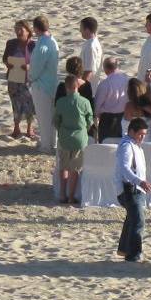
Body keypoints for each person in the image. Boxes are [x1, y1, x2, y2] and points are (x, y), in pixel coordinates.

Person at [115, 117, 151, 262]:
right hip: (129, 189)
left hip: (136, 189)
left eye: (144, 134)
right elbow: (125, 168)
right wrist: (140, 182)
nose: (143, 137)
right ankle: (134, 254)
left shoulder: (135, 145)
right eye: (140, 134)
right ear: (131, 131)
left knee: (132, 219)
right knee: (138, 221)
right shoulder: (127, 146)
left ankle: (125, 249)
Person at [53, 75, 93, 204]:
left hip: (64, 137)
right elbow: (90, 120)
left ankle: (62, 194)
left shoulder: (61, 102)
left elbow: (56, 121)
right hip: (79, 138)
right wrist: (84, 130)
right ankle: (71, 196)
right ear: (78, 86)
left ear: (66, 87)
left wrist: (61, 130)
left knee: (64, 167)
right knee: (75, 169)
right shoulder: (85, 102)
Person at [29, 15, 59, 153]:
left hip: (42, 85)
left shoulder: (42, 45)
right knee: (50, 116)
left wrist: (30, 78)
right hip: (51, 83)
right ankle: (51, 142)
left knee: (43, 116)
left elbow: (36, 67)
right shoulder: (52, 40)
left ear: (36, 28)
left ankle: (46, 145)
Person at [2, 20, 37, 139]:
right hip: (14, 76)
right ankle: (16, 127)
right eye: (16, 29)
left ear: (27, 31)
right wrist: (8, 64)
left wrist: (29, 66)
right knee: (15, 103)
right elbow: (5, 58)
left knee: (29, 103)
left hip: (28, 78)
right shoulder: (11, 43)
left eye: (20, 29)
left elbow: (38, 62)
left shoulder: (34, 45)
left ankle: (29, 128)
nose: (18, 32)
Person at [94, 57, 129, 143]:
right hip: (124, 117)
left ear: (105, 69)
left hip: (108, 119)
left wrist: (96, 116)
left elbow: (97, 105)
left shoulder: (105, 84)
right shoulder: (127, 80)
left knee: (106, 145)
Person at [79, 17, 103, 95]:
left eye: (81, 28)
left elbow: (89, 70)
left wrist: (80, 86)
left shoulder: (91, 46)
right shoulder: (91, 42)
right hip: (90, 86)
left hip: (88, 88)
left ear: (87, 30)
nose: (80, 31)